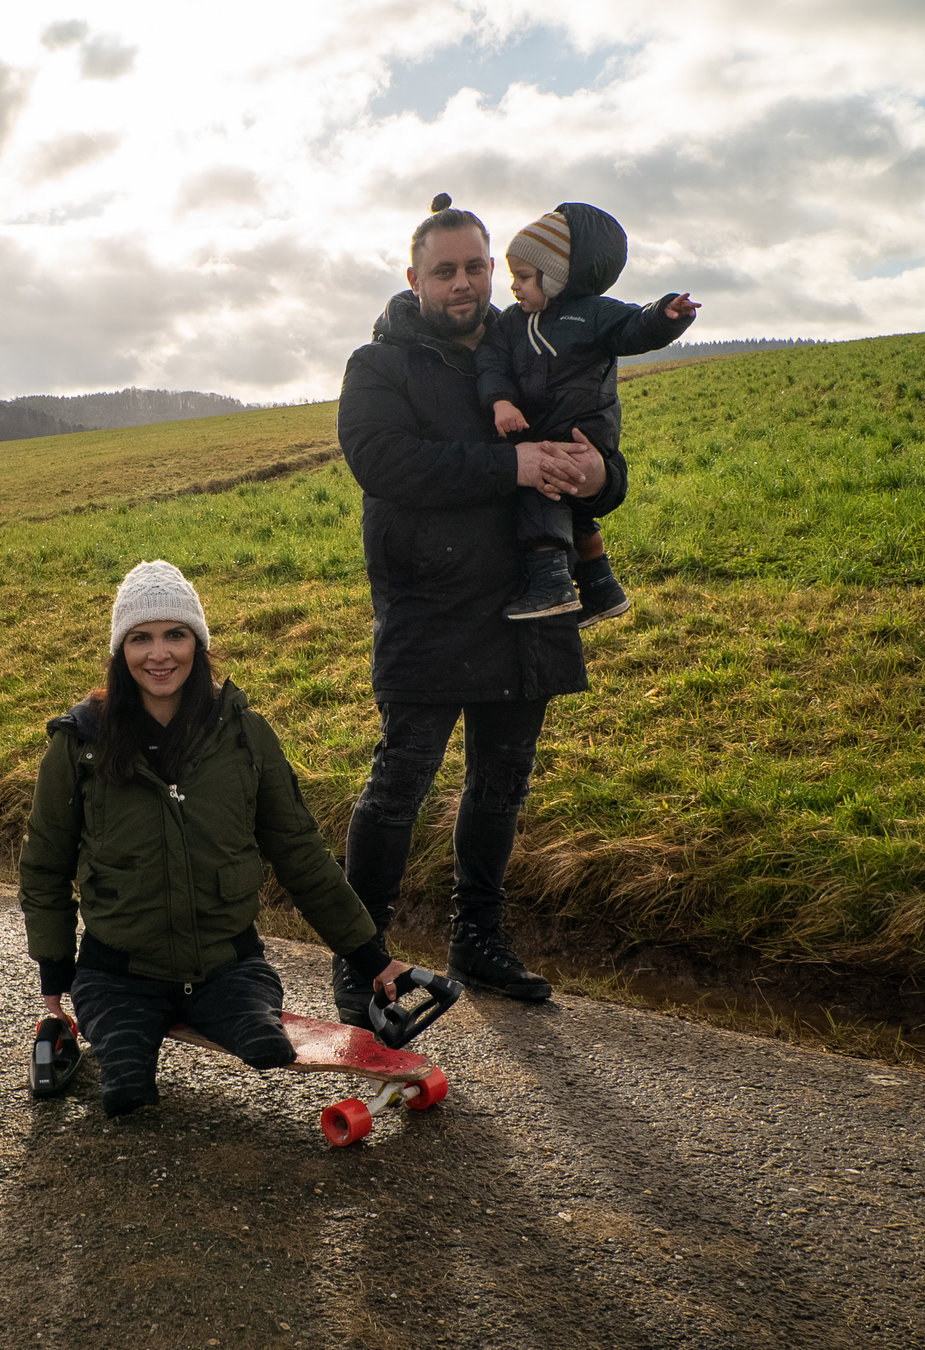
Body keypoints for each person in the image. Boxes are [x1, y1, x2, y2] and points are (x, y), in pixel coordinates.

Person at [329, 194, 628, 1025]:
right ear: (413, 276)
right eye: (443, 270)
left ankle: (478, 939)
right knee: (400, 785)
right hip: (429, 606)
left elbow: (603, 457)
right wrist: (515, 469)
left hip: (533, 603)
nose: (461, 284)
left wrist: (596, 477)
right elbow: (382, 461)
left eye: (474, 267)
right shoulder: (378, 365)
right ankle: (362, 963)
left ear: (492, 268)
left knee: (500, 786)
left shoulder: (536, 344)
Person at [18, 559, 410, 1116]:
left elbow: (299, 852)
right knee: (126, 1094)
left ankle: (229, 1011)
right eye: (141, 639)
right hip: (117, 974)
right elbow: (45, 866)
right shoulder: (79, 744)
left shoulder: (245, 735)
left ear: (198, 645)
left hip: (228, 966)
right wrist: (55, 978)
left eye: (176, 635)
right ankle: (120, 1045)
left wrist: (371, 956)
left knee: (268, 1051)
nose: (160, 655)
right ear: (120, 651)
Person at [478, 203, 699, 625]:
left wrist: (666, 315)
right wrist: (500, 401)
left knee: (542, 490)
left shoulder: (592, 312)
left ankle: (551, 584)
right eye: (512, 277)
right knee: (577, 512)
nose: (514, 287)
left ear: (555, 275)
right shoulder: (508, 324)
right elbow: (491, 363)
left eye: (524, 277)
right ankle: (601, 588)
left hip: (585, 431)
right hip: (543, 429)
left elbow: (633, 326)